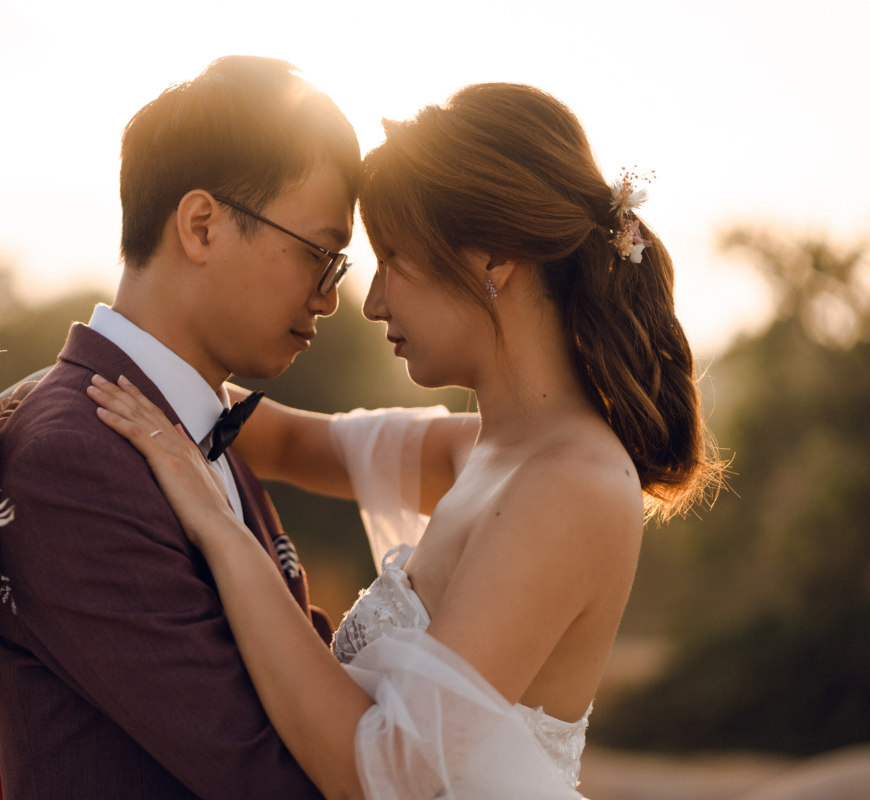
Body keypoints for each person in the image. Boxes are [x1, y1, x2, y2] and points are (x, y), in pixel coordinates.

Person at [88, 82, 722, 799]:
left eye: (393, 257)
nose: (371, 299)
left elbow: (385, 776)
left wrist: (221, 533)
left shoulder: (571, 483)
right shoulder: (470, 452)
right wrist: (75, 377)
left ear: (492, 259)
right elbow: (283, 443)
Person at [0, 56, 361, 799]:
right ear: (201, 226)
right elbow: (268, 774)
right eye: (321, 254)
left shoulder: (192, 425)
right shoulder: (72, 457)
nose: (330, 299)